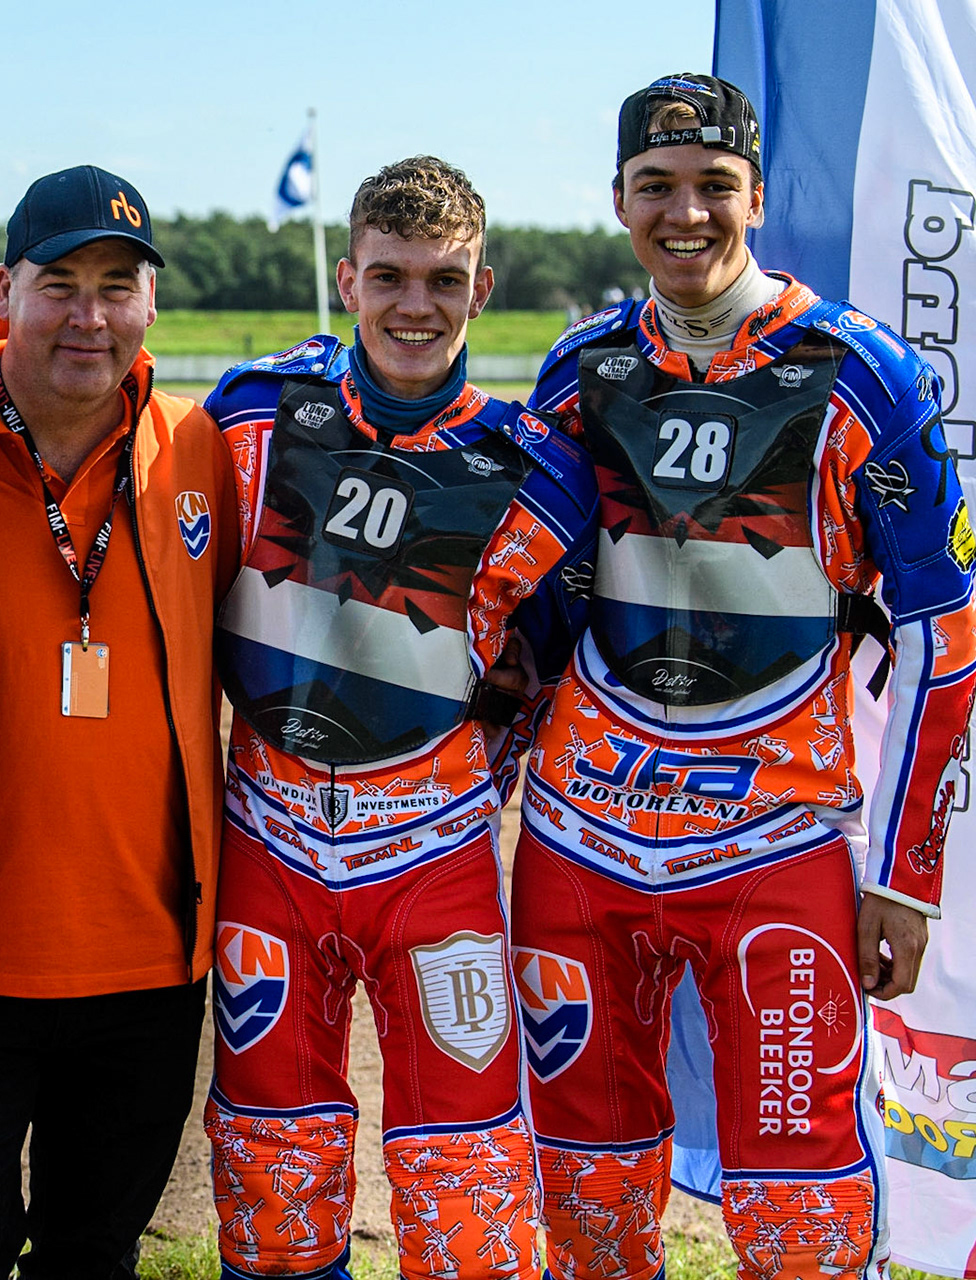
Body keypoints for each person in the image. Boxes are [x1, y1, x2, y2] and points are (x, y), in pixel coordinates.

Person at [516, 73, 976, 1280]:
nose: (686, 214)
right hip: (581, 843)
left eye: (713, 186)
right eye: (656, 187)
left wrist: (908, 878)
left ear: (757, 195)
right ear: (618, 201)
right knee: (585, 1199)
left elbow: (947, 629)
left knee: (802, 1216)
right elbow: (511, 608)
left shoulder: (866, 374)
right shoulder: (577, 369)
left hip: (771, 845)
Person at [203, 156, 597, 1280]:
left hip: (438, 864)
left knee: (465, 1190)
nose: (413, 305)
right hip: (267, 845)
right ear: (347, 278)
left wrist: (479, 771)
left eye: (442, 278)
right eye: (389, 276)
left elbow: (560, 658)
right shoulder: (251, 416)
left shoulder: (542, 471)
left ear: (482, 286)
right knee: (271, 1176)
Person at [0, 165, 239, 1279]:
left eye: (118, 285)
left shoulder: (196, 452)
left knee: (92, 1257)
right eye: (59, 283)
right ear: (5, 288)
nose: (89, 315)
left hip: (149, 973)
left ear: (150, 303)